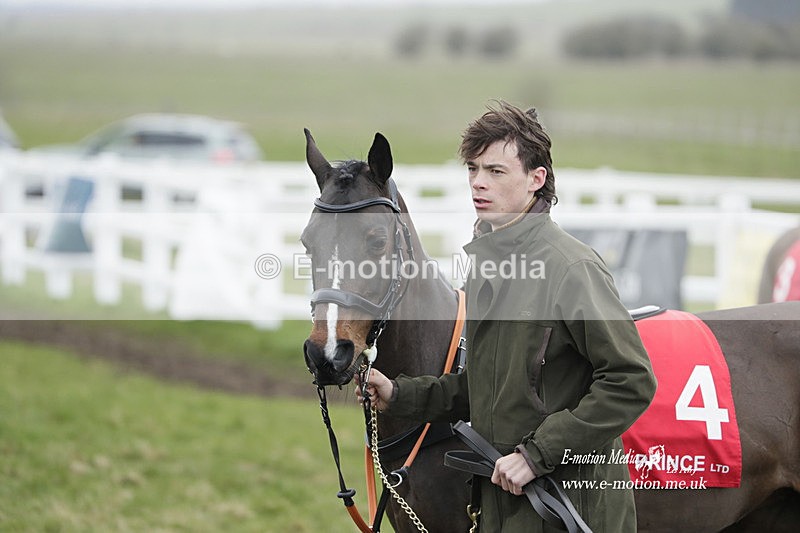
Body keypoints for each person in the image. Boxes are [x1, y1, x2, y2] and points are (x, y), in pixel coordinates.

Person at [357, 101, 657, 532]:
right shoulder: (486, 267)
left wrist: (539, 454)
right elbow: (485, 388)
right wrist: (399, 394)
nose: (478, 183)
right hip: (503, 508)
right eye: (473, 170)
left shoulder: (572, 269)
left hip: (570, 510)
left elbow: (632, 381)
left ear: (536, 180)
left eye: (496, 172)